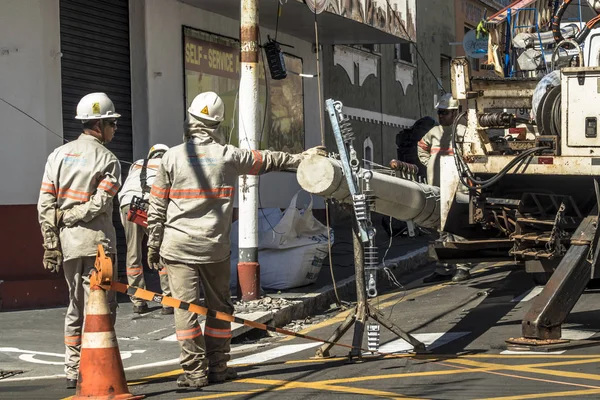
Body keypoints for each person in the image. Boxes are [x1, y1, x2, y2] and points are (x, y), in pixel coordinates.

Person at [147, 91, 327, 388]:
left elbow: (156, 207)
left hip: (177, 248)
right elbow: (267, 160)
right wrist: (302, 158)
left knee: (185, 310)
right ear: (217, 124)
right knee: (219, 308)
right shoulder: (229, 155)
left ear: (190, 120)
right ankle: (218, 367)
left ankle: (193, 372)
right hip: (213, 248)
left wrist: (154, 243)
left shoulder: (171, 157)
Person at [37, 92, 121, 389]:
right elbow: (100, 203)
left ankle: (73, 369)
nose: (114, 129)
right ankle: (97, 368)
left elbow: (45, 205)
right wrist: (73, 216)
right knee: (102, 307)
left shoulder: (57, 156)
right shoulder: (109, 160)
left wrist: (51, 243)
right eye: (112, 123)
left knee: (75, 305)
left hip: (69, 245)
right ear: (99, 125)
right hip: (99, 246)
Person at [417, 93, 472, 283]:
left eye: (445, 113)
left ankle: (463, 266)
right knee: (439, 229)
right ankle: (443, 268)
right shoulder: (433, 133)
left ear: (455, 112)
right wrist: (430, 164)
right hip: (436, 188)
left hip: (459, 189)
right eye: (440, 112)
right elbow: (421, 149)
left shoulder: (465, 132)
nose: (441, 116)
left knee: (458, 229)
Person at [118, 144, 173, 315]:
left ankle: (138, 301)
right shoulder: (168, 164)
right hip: (151, 204)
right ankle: (168, 301)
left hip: (129, 204)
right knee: (161, 250)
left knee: (133, 253)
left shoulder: (137, 164)